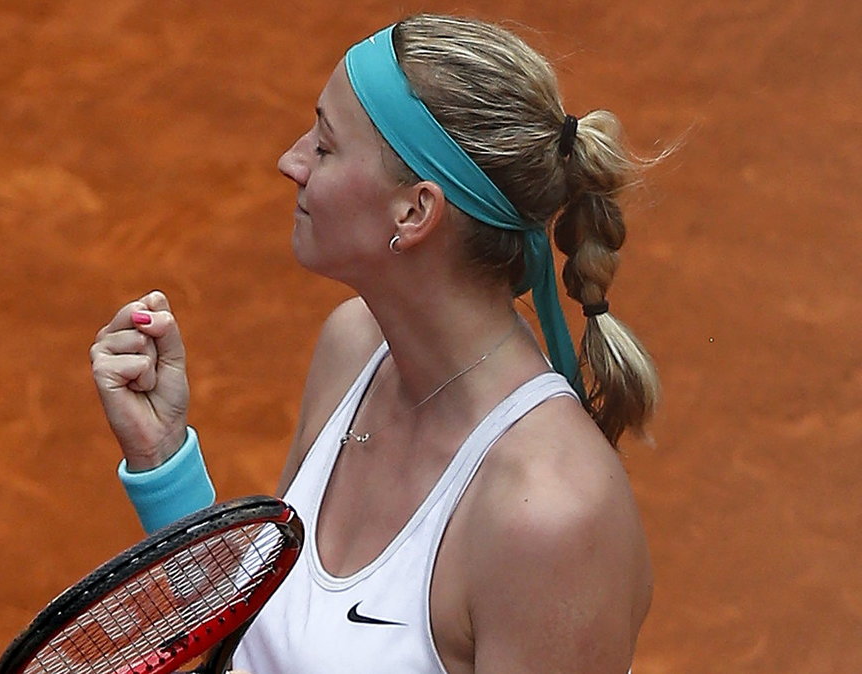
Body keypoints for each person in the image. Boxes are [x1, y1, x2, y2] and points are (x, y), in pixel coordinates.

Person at [89, 13, 660, 674]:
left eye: (325, 146)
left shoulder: (550, 519)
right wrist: (165, 463)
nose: (291, 162)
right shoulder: (355, 348)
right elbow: (257, 637)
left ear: (415, 212)